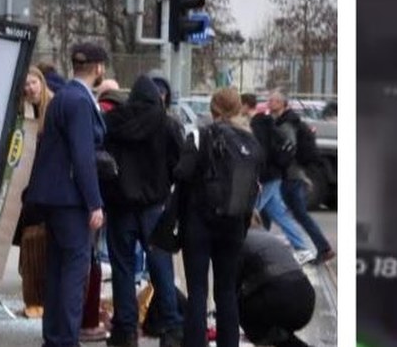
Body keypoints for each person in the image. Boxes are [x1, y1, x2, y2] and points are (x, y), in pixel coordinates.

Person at [26, 44, 108, 347]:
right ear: (99, 68)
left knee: (58, 270)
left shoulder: (61, 97)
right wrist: (94, 202)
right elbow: (82, 156)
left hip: (53, 197)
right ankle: (65, 339)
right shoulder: (80, 102)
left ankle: (54, 337)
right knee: (74, 272)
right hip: (71, 200)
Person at [173, 87, 263, 347]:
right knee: (226, 291)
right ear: (238, 109)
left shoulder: (200, 136)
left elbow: (181, 173)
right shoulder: (250, 142)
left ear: (212, 110)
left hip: (198, 224)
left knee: (197, 291)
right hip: (233, 224)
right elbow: (255, 186)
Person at [100, 75, 184, 347]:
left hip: (120, 206)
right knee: (161, 268)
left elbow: (103, 161)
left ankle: (125, 329)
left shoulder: (114, 122)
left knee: (123, 268)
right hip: (154, 208)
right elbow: (179, 166)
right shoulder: (167, 124)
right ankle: (171, 327)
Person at [247, 95, 314, 264]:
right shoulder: (268, 123)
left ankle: (251, 249)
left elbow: (261, 152)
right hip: (275, 173)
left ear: (245, 107)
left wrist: (258, 175)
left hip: (268, 176)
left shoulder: (257, 124)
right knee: (279, 215)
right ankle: (302, 249)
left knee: (249, 212)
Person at [270, 91, 334, 264]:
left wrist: (280, 162)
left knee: (296, 213)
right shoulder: (285, 121)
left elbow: (290, 147)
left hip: (290, 175)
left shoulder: (286, 123)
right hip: (292, 174)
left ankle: (323, 248)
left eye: (274, 100)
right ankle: (319, 247)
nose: (270, 103)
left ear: (282, 104)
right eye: (270, 100)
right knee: (284, 212)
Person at [238, 217, 316, 347]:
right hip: (307, 301)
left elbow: (230, 288)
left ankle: (263, 341)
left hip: (281, 303)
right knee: (276, 327)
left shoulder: (241, 241)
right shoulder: (270, 238)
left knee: (239, 304)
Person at [14, 66, 54, 319]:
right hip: (28, 189)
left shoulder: (53, 109)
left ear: (41, 82)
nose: (30, 88)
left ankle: (42, 299)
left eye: (33, 83)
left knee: (40, 244)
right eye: (26, 85)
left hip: (45, 188)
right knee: (30, 245)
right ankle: (34, 298)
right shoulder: (25, 112)